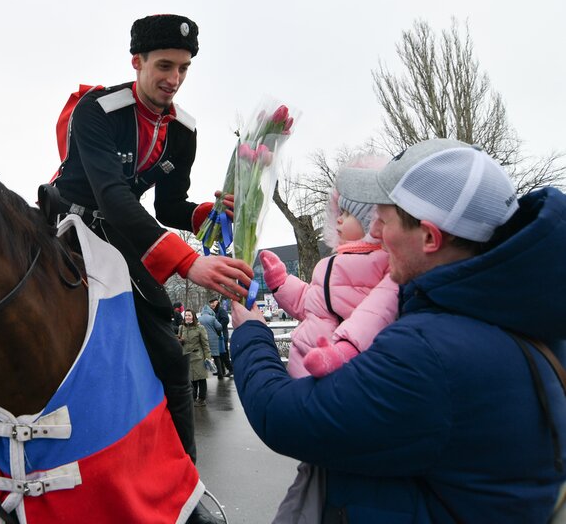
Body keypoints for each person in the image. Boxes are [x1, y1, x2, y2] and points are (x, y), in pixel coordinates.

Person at [230, 139, 566, 522]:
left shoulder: (428, 353)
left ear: (429, 238)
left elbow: (285, 417)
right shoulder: (516, 313)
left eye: (385, 220)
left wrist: (252, 335)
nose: (374, 231)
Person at [41, 13, 253, 472]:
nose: (174, 79)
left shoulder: (184, 132)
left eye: (184, 68)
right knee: (4, 322)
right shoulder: (97, 109)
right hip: (63, 225)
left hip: (119, 235)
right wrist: (187, 262)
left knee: (171, 358)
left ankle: (185, 481)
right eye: (164, 66)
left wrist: (207, 213)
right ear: (137, 61)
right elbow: (113, 197)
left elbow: (168, 206)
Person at [259, 154, 399, 379]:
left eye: (349, 214)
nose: (339, 219)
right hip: (303, 362)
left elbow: (377, 314)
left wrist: (343, 351)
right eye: (339, 212)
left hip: (339, 366)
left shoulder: (385, 263)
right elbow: (310, 305)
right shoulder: (329, 263)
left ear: (373, 222)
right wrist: (281, 282)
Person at [178, 309, 211, 407]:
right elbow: (179, 340)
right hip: (186, 357)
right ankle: (192, 398)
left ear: (193, 316)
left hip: (198, 357)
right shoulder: (181, 327)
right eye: (186, 315)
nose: (187, 317)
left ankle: (201, 399)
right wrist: (180, 341)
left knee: (201, 378)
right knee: (191, 379)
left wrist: (208, 357)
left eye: (189, 315)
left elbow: (205, 344)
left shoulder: (200, 328)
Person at [198, 303, 225, 380]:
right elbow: (219, 327)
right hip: (213, 339)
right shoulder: (212, 318)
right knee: (216, 357)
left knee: (203, 357)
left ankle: (203, 376)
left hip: (203, 339)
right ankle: (220, 374)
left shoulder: (199, 319)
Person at [208, 298, 232, 376]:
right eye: (210, 303)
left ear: (217, 302)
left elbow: (226, 320)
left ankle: (231, 369)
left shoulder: (221, 310)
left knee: (224, 353)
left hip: (222, 335)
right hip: (217, 335)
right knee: (219, 353)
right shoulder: (213, 311)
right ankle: (221, 371)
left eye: (213, 302)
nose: (212, 304)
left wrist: (219, 326)